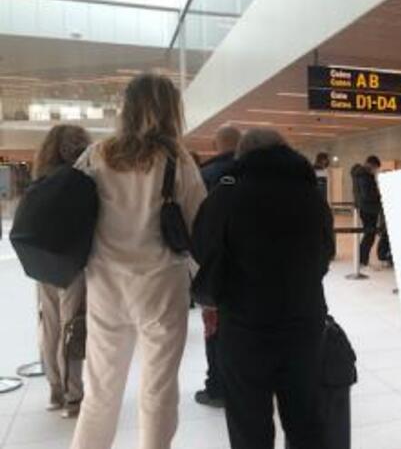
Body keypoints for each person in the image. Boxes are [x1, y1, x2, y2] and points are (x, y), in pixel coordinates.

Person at [70, 74, 206, 449]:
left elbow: (74, 210)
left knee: (100, 390)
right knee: (158, 389)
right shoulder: (177, 160)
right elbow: (199, 225)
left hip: (105, 285)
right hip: (161, 287)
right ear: (170, 110)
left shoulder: (96, 155)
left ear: (126, 109)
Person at [193, 128, 334, 449]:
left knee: (249, 423)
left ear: (242, 156)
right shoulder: (311, 195)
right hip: (304, 322)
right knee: (306, 419)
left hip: (244, 326)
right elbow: (325, 253)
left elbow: (203, 250)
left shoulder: (226, 194)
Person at [33, 124, 91, 418]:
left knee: (50, 326)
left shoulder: (41, 178)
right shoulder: (82, 179)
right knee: (72, 327)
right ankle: (73, 395)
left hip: (42, 261)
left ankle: (55, 390)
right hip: (72, 263)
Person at [194, 126, 240, 409]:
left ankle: (217, 387)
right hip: (254, 269)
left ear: (214, 145)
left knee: (215, 330)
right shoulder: (256, 173)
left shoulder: (204, 176)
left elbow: (195, 225)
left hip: (216, 270)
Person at [351, 155, 382, 267]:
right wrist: (379, 196)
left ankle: (363, 259)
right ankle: (362, 260)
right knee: (369, 235)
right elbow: (367, 194)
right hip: (368, 209)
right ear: (370, 164)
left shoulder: (360, 174)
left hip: (366, 207)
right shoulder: (365, 176)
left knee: (369, 235)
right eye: (375, 167)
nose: (375, 170)